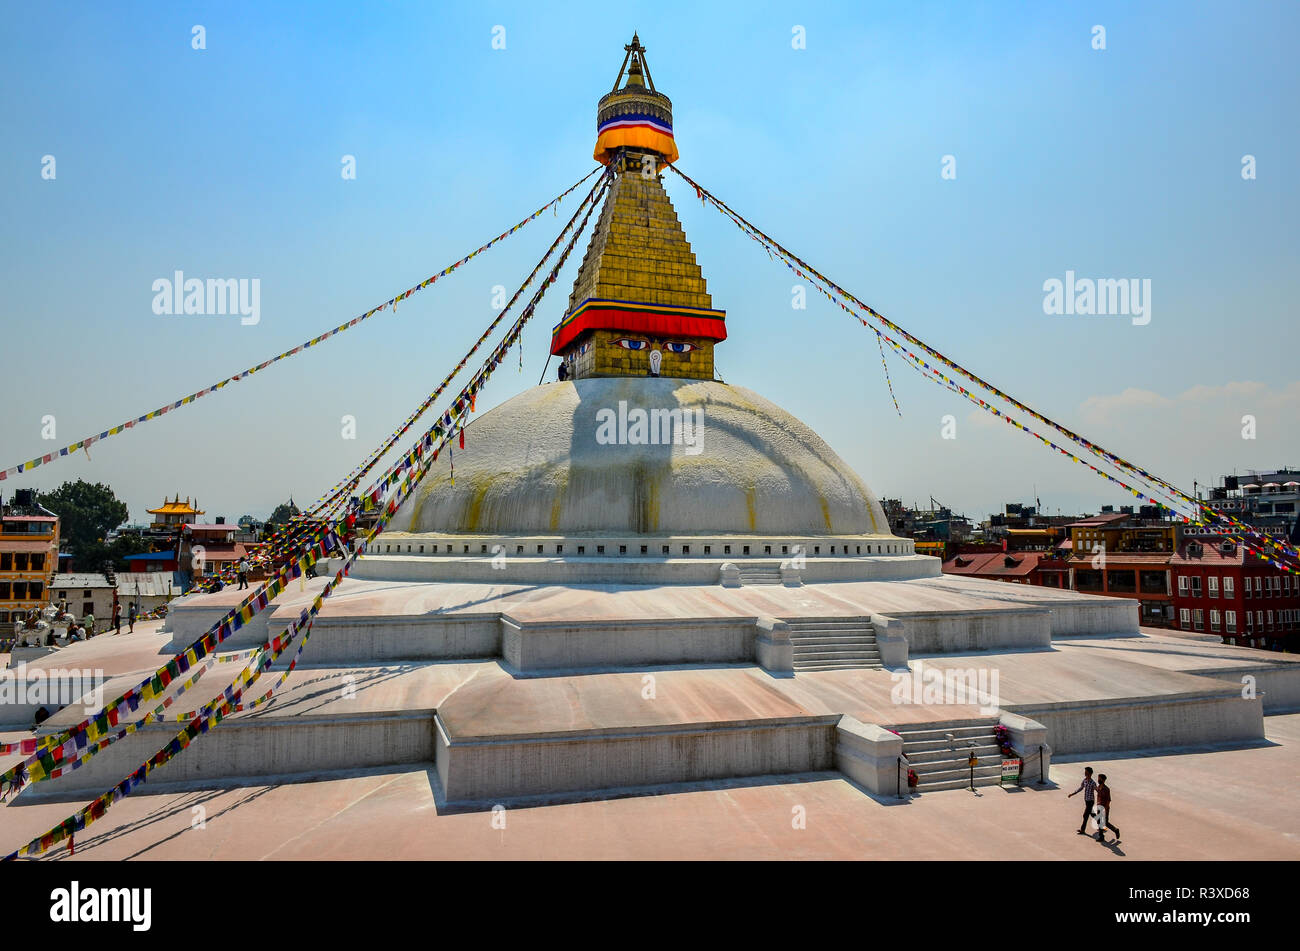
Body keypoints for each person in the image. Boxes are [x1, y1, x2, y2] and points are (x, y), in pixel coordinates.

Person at [1067, 766, 1097, 835]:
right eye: (1085, 772)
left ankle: (1082, 830)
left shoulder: (1093, 783)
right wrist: (1073, 793)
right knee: (1092, 814)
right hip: (1086, 800)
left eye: (1086, 772)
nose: (1085, 773)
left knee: (1085, 815)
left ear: (1090, 773)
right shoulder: (1085, 780)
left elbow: (1097, 790)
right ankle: (1102, 824)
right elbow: (1081, 788)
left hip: (1090, 801)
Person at [1094, 774, 1120, 843]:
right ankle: (1101, 836)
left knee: (1105, 822)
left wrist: (1105, 809)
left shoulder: (1106, 789)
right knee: (1099, 821)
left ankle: (1115, 830)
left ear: (1103, 780)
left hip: (1104, 808)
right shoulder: (1099, 787)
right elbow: (1097, 790)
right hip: (1099, 807)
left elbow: (1108, 800)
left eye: (1099, 779)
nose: (1098, 780)